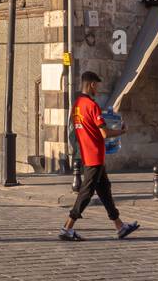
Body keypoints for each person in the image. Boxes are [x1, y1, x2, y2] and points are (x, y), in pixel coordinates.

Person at [59, 71, 139, 241]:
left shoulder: (77, 106)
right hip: (94, 156)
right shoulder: (92, 106)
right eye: (98, 85)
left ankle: (120, 227)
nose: (99, 89)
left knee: (105, 191)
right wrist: (122, 131)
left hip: (88, 154)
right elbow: (104, 133)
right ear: (92, 85)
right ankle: (67, 227)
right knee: (86, 193)